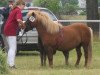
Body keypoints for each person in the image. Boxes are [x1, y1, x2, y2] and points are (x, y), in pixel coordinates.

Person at [3, 0, 26, 69]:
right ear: (21, 5)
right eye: (23, 6)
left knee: (10, 48)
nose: (24, 8)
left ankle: (8, 64)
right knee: (13, 48)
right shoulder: (18, 10)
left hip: (7, 29)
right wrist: (23, 25)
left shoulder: (14, 9)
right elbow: (18, 20)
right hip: (11, 30)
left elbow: (16, 21)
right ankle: (11, 65)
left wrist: (20, 24)